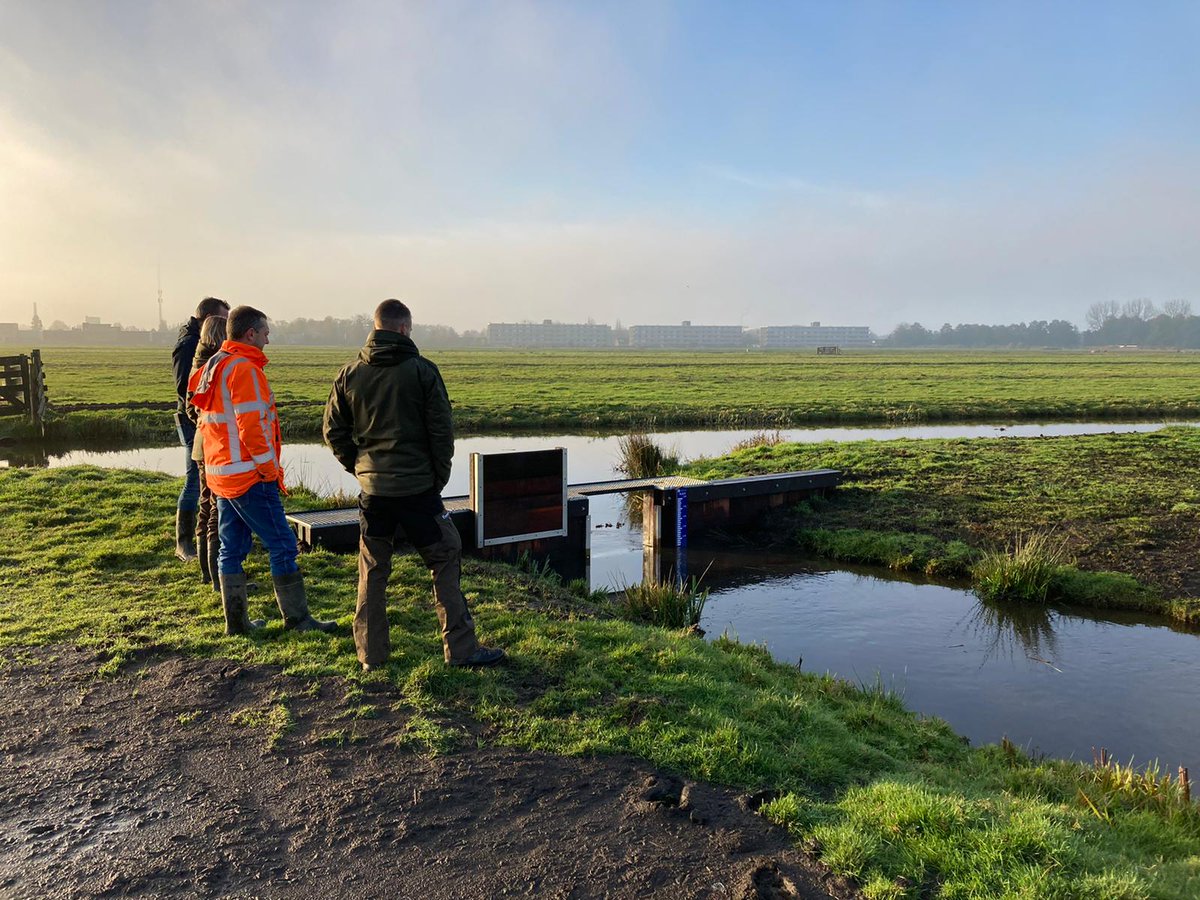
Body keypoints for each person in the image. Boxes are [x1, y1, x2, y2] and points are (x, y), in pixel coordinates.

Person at [323, 299, 505, 671]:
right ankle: (461, 648)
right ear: (405, 329)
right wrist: (437, 477)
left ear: (376, 328)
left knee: (373, 569)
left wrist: (360, 468)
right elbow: (442, 432)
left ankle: (371, 655)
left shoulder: (349, 373)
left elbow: (332, 431)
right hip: (419, 490)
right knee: (445, 555)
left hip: (373, 491)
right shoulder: (422, 371)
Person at [189, 305, 336, 636]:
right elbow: (251, 426)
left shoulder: (213, 365)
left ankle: (237, 623)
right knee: (283, 544)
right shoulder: (245, 369)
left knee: (231, 547)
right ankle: (298, 620)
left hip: (221, 473)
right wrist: (269, 470)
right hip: (249, 475)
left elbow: (205, 419)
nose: (269, 339)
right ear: (250, 333)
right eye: (266, 333)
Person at [171, 296, 230, 561]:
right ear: (208, 319)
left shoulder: (196, 341)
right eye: (222, 320)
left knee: (202, 486)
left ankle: (201, 548)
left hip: (199, 420)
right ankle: (184, 543)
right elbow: (187, 390)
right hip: (195, 421)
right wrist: (201, 418)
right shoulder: (189, 345)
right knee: (195, 482)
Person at [185, 315, 227, 589]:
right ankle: (217, 577)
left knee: (204, 507)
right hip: (216, 446)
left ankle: (206, 573)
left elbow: (190, 408)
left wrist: (202, 424)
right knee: (215, 511)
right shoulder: (216, 365)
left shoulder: (197, 364)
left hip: (201, 444)